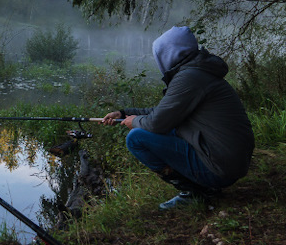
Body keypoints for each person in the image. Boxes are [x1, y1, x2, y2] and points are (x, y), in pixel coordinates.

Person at [102, 26, 254, 210]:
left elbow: (157, 122)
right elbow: (163, 112)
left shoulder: (190, 77)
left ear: (169, 54)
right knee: (165, 128)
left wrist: (133, 122)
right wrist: (124, 113)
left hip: (221, 168)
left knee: (136, 138)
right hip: (228, 161)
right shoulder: (197, 72)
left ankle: (194, 192)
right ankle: (204, 188)